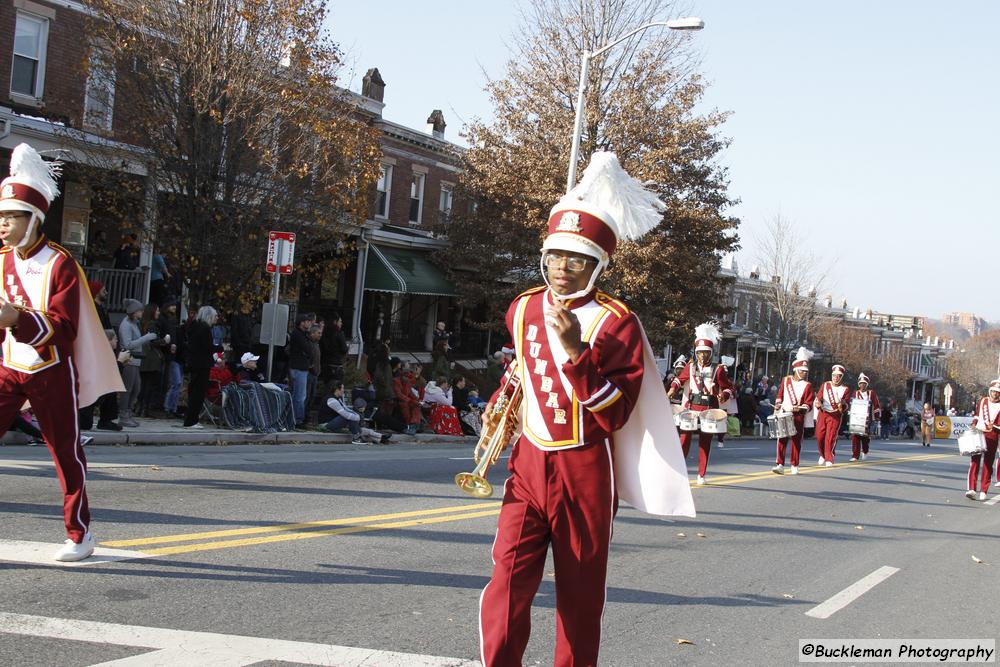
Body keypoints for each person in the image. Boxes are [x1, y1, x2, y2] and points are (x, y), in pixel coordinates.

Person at [478, 151, 693, 666]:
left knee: (578, 597)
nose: (562, 268)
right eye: (555, 256)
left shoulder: (618, 323)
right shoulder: (524, 306)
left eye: (576, 259)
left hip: (584, 468)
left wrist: (576, 354)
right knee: (506, 578)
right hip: (529, 462)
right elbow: (524, 367)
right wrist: (499, 406)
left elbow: (615, 412)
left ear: (597, 264)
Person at [0, 143, 123, 560]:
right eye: (0, 217)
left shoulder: (61, 264)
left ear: (33, 218)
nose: (3, 225)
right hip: (6, 368)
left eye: (11, 217)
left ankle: (80, 533)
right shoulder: (0, 261)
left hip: (50, 369)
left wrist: (16, 318)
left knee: (65, 452)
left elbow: (65, 327)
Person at [667, 322, 734, 485]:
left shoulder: (718, 369)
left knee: (705, 443)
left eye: (706, 352)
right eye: (700, 353)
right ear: (696, 353)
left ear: (710, 353)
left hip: (709, 409)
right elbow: (678, 379)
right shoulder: (690, 367)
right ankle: (679, 472)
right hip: (691, 408)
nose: (702, 356)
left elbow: (729, 388)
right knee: (684, 440)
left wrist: (722, 396)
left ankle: (701, 475)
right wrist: (671, 390)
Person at [771, 347, 815, 475]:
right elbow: (780, 395)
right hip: (785, 412)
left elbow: (809, 402)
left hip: (798, 415)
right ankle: (780, 464)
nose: (804, 373)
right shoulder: (786, 380)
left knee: (796, 440)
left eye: (805, 372)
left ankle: (794, 464)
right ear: (796, 370)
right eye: (802, 371)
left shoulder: (808, 385)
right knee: (782, 439)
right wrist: (778, 404)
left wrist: (802, 407)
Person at [117, 298, 157, 427]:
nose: (142, 313)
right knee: (128, 388)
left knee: (136, 388)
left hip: (136, 360)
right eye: (140, 311)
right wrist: (146, 338)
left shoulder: (134, 323)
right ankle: (123, 415)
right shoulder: (126, 325)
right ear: (134, 312)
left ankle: (128, 412)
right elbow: (127, 344)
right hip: (129, 359)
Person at [183, 306, 224, 429]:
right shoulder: (204, 329)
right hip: (202, 364)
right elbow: (208, 347)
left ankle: (191, 418)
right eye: (215, 315)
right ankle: (192, 420)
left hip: (194, 363)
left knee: (194, 391)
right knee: (198, 392)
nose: (217, 318)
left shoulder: (194, 326)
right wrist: (221, 348)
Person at [967, 380, 1000, 501]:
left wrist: (995, 425)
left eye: (997, 392)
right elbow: (977, 415)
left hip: (992, 436)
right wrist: (974, 423)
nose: (995, 394)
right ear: (990, 391)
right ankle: (971, 488)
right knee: (974, 461)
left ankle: (984, 490)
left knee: (988, 463)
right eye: (993, 391)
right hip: (979, 434)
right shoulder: (983, 401)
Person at [813, 364, 849, 466]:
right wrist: (818, 403)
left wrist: (842, 404)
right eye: (834, 375)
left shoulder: (845, 389)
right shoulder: (825, 385)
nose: (836, 378)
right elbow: (818, 398)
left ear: (841, 377)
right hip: (823, 413)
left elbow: (846, 405)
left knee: (830, 436)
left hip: (835, 416)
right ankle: (822, 454)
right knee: (819, 436)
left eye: (838, 376)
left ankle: (829, 458)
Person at [287, 313, 313, 427]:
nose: (309, 323)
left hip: (301, 367)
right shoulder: (298, 334)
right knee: (300, 395)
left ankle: (293, 417)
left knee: (297, 394)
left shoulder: (303, 334)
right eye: (307, 321)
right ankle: (298, 419)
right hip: (298, 368)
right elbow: (307, 348)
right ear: (301, 323)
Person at [158, 298, 183, 417]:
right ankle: (168, 407)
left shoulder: (173, 320)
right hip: (168, 355)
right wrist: (170, 345)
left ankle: (172, 408)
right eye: (172, 305)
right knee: (175, 382)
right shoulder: (164, 320)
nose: (175, 308)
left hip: (175, 356)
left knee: (176, 383)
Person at [849, 373, 881, 461]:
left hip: (868, 419)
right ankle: (855, 455)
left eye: (864, 384)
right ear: (859, 384)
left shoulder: (871, 393)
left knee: (865, 438)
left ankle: (865, 451)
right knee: (855, 437)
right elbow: (851, 404)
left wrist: (877, 415)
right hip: (856, 419)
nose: (862, 385)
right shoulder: (855, 393)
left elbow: (876, 405)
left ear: (867, 385)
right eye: (861, 383)